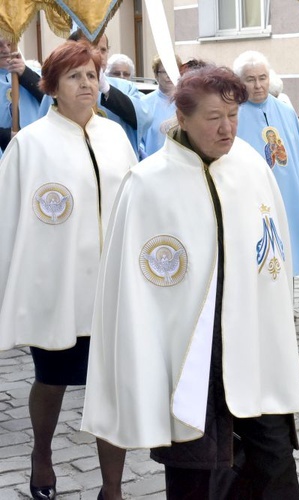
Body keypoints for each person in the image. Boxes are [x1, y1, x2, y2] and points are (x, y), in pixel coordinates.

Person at [81, 65, 299, 500]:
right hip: (190, 358)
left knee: (274, 469)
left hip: (251, 347)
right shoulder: (147, 183)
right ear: (181, 118)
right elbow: (131, 289)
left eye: (234, 115)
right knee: (196, 477)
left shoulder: (251, 167)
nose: (227, 129)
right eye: (213, 117)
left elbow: (273, 257)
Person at [0, 40, 136, 500]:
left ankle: (112, 488)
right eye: (75, 76)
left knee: (112, 388)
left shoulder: (115, 137)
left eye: (92, 75)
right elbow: (8, 219)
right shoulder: (30, 145)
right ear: (52, 86)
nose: (86, 84)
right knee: (53, 380)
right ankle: (41, 453)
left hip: (112, 288)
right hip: (57, 287)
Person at [233, 50, 299, 277]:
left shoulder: (285, 110)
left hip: (289, 196)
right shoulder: (233, 114)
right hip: (253, 198)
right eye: (250, 80)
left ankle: (287, 311)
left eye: (262, 78)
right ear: (240, 82)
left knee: (289, 260)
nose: (258, 85)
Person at [38, 31, 152, 154]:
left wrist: (108, 90)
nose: (98, 55)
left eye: (103, 50)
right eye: (90, 48)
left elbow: (144, 118)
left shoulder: (125, 86)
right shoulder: (60, 88)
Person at [0, 36, 44, 149]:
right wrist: (7, 136)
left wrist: (24, 73)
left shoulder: (33, 71)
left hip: (33, 146)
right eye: (0, 45)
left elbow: (49, 99)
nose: (5, 50)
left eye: (9, 44)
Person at [139, 54, 181, 158]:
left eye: (172, 71)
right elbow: (139, 139)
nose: (169, 75)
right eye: (165, 71)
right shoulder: (143, 103)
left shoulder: (187, 103)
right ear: (156, 75)